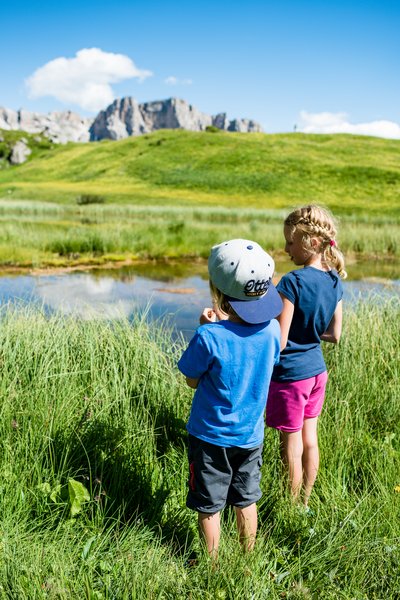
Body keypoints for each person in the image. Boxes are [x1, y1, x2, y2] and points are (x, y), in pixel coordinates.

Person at [178, 239, 282, 559]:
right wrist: (224, 329)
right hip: (250, 435)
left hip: (211, 436)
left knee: (210, 504)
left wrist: (208, 329)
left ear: (218, 292)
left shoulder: (209, 336)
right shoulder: (274, 330)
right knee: (245, 498)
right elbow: (251, 350)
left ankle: (212, 567)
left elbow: (191, 380)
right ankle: (247, 559)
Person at [266, 205, 347, 507]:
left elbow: (281, 339)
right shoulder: (335, 280)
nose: (286, 249)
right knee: (309, 438)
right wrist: (310, 334)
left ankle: (290, 505)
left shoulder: (292, 282)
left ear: (311, 243)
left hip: (291, 376)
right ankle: (306, 501)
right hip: (317, 372)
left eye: (290, 242)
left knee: (291, 444)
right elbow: (335, 334)